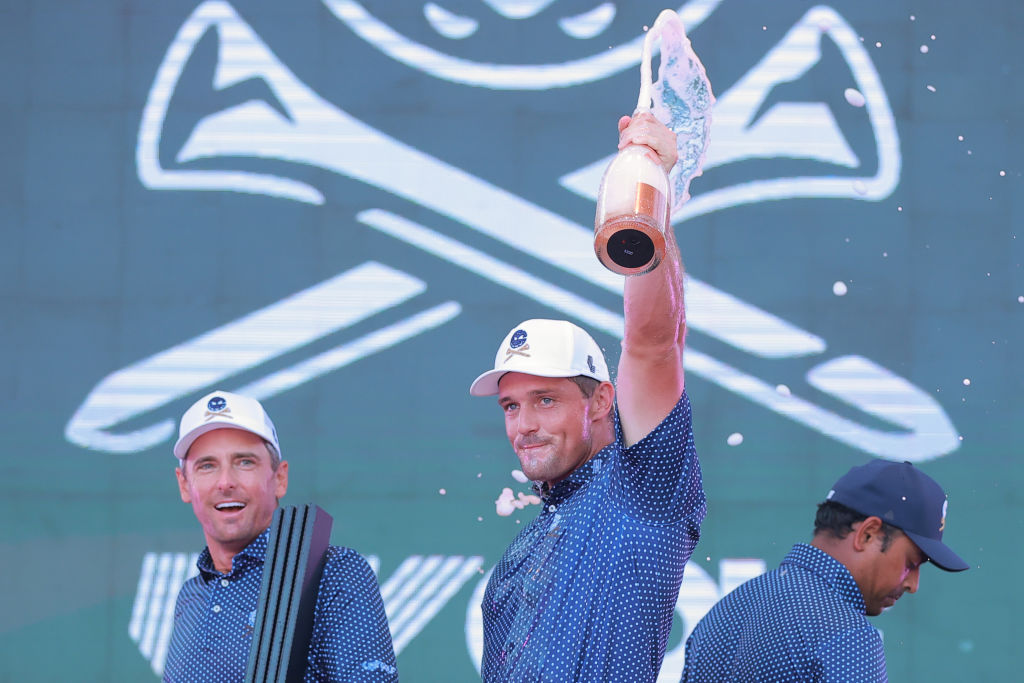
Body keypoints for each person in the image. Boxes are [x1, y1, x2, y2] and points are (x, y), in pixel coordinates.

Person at [469, 112, 705, 681]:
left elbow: (654, 345)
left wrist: (647, 184)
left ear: (600, 402)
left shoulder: (641, 490)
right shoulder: (519, 557)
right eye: (511, 406)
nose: (523, 424)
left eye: (545, 400)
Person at [163, 390, 398, 682]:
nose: (225, 482)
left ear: (280, 478)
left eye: (244, 462)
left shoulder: (331, 572)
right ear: (184, 484)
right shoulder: (191, 595)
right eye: (207, 466)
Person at [680, 459, 969, 683]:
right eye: (911, 563)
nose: (913, 584)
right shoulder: (847, 636)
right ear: (868, 533)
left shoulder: (723, 613)